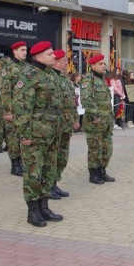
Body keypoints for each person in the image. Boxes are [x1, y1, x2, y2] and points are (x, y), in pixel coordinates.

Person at [13, 41, 62, 227]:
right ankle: (33, 211)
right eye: (50, 54)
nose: (54, 57)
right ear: (39, 56)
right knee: (33, 172)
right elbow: (22, 107)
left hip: (52, 132)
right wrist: (24, 134)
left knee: (48, 171)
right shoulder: (28, 75)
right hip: (35, 134)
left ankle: (44, 207)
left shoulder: (49, 75)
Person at [81, 54, 115, 184]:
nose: (104, 66)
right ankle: (93, 174)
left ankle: (102, 171)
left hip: (106, 121)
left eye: (104, 63)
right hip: (95, 121)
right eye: (100, 64)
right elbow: (87, 100)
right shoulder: (88, 80)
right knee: (95, 148)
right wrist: (96, 117)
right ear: (93, 65)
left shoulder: (102, 80)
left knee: (107, 147)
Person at [50, 49, 79, 200]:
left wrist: (74, 119)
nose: (66, 63)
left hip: (66, 124)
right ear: (56, 61)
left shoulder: (65, 78)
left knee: (62, 156)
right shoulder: (50, 77)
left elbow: (72, 102)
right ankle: (48, 187)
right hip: (55, 123)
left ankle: (55, 183)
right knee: (52, 156)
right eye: (64, 61)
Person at [0, 41, 28, 176]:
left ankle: (23, 161)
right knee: (13, 137)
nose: (25, 52)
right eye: (22, 50)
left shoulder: (28, 68)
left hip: (26, 110)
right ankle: (15, 164)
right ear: (15, 51)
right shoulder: (8, 68)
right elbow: (5, 91)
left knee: (24, 135)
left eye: (25, 50)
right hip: (14, 109)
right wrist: (8, 111)